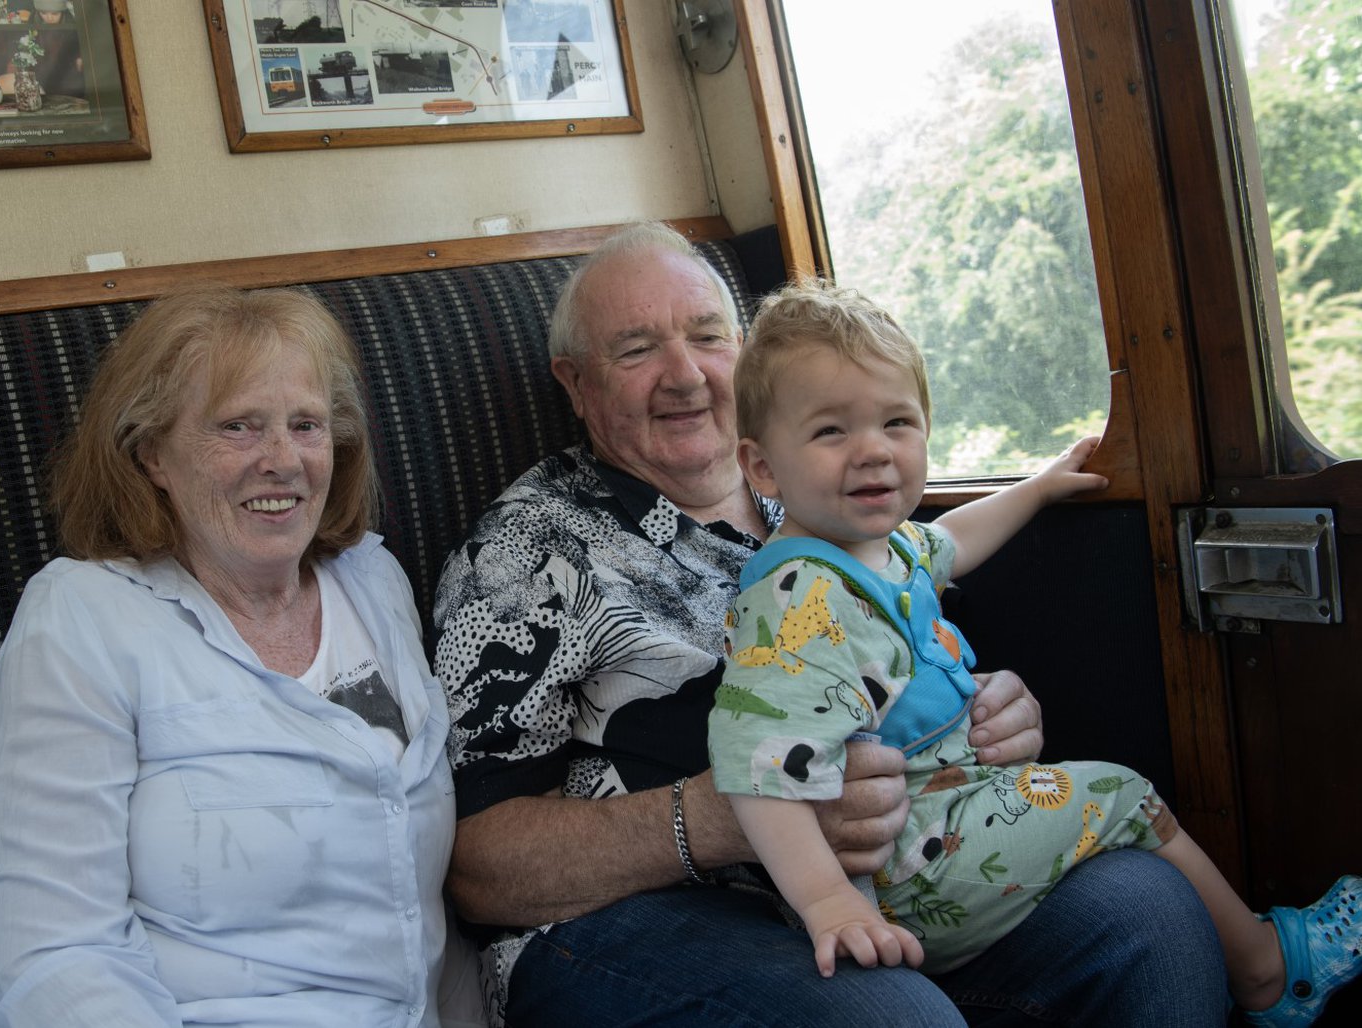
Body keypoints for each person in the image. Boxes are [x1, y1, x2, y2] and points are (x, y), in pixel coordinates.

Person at [431, 220, 1229, 1026]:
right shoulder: (527, 551)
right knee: (888, 1018)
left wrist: (975, 711)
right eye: (636, 351)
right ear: (576, 383)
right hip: (627, 919)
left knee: (1146, 907)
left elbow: (907, 632)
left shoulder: (820, 483)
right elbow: (476, 864)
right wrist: (715, 818)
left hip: (906, 862)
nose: (685, 375)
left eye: (707, 336)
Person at [709, 278, 1362, 1025]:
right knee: (1122, 794)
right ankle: (1268, 971)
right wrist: (828, 902)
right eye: (831, 432)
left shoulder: (881, 548)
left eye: (897, 421)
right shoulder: (799, 596)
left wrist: (1040, 486)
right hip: (908, 870)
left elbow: (955, 540)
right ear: (762, 468)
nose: (873, 452)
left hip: (948, 823)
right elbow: (759, 763)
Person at [0, 285, 480, 1026]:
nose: (283, 460)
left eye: (307, 425)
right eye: (238, 426)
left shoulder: (372, 581)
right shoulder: (80, 620)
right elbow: (59, 956)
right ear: (152, 452)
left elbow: (419, 914)